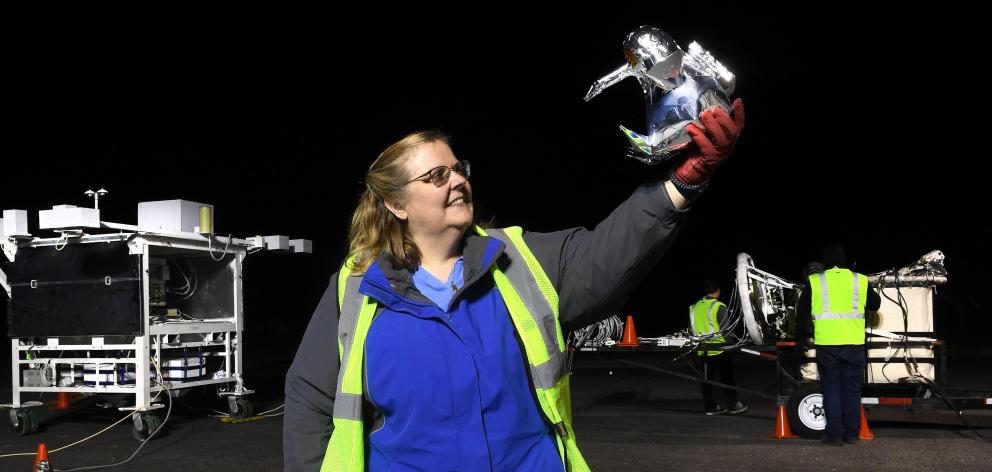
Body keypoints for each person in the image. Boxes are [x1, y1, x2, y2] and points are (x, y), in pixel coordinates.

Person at [284, 100, 745, 471]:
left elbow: (610, 253)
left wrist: (685, 180)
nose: (459, 180)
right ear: (397, 204)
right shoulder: (356, 287)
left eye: (458, 168)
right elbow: (310, 400)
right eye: (436, 175)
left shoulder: (519, 259)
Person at [796, 244, 880, 445]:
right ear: (844, 259)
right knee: (852, 390)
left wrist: (800, 342)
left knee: (831, 389)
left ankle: (834, 435)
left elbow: (802, 315)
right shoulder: (859, 279)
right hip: (854, 343)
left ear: (825, 260)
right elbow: (875, 304)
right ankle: (851, 434)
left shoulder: (815, 281)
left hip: (827, 344)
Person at [689, 278, 748, 415]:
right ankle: (733, 406)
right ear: (717, 292)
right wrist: (733, 345)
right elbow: (726, 331)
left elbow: (691, 330)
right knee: (727, 379)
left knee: (706, 380)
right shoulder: (718, 306)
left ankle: (710, 408)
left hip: (702, 351)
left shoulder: (694, 307)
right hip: (720, 350)